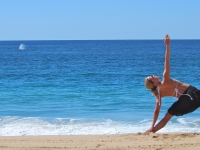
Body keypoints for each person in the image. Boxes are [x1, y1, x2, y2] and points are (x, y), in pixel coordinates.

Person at [144, 34, 200, 133]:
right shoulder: (165, 79)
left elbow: (156, 111)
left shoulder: (159, 94)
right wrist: (168, 45)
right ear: (154, 83)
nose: (153, 75)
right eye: (152, 77)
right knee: (168, 114)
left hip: (187, 102)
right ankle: (151, 130)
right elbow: (167, 60)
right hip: (192, 94)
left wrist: (152, 125)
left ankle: (151, 131)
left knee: (168, 115)